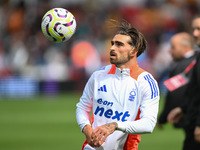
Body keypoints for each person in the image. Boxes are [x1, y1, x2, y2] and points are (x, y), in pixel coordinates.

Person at [76, 20, 160, 150]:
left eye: (119, 44)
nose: (112, 48)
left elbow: (149, 124)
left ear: (133, 51)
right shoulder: (99, 75)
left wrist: (115, 125)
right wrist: (86, 128)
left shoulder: (146, 82)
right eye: (112, 44)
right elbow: (82, 106)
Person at [167, 17, 200, 150]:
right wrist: (183, 108)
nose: (195, 34)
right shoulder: (198, 56)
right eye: (194, 29)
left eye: (198, 29)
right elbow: (196, 91)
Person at [158, 32, 197, 129]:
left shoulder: (181, 66)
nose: (169, 51)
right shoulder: (196, 59)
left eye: (173, 47)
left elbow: (175, 93)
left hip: (190, 118)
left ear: (186, 47)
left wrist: (163, 117)